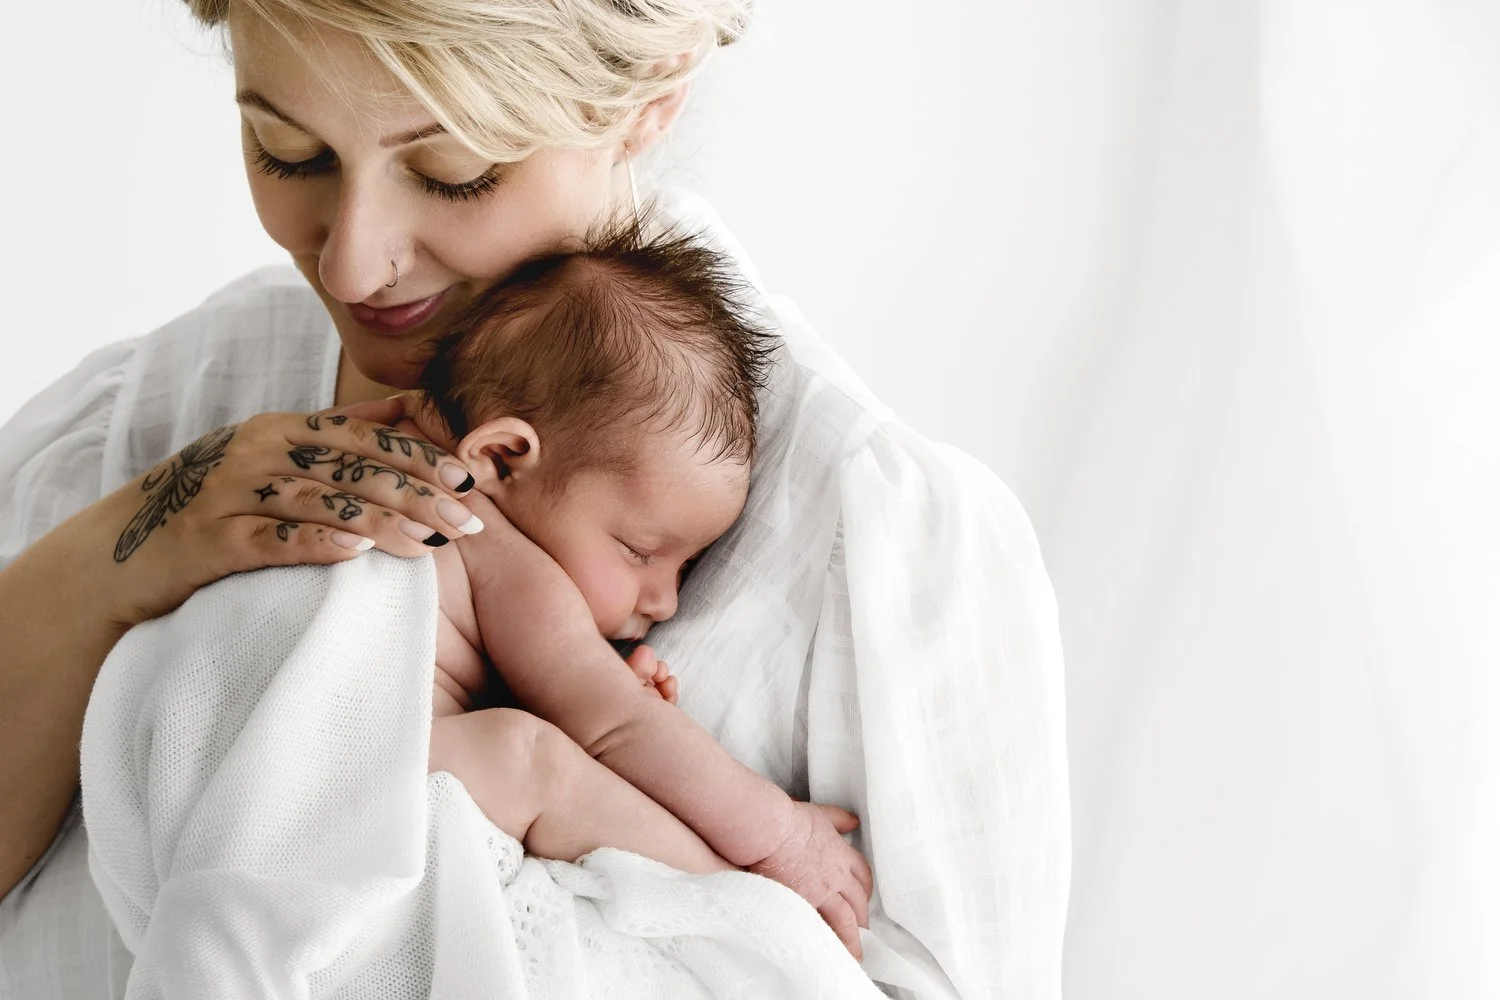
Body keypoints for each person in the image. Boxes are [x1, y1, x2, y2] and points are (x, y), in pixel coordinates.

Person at [0, 2, 1071, 998]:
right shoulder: (136, 418)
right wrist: (116, 555)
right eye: (290, 150)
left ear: (654, 89)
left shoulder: (874, 539)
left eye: (457, 169)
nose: (353, 259)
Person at [411, 221, 872, 929]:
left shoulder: (375, 453)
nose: (666, 599)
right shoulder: (493, 546)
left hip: (255, 750)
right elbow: (615, 730)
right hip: (338, 770)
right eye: (640, 550)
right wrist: (777, 836)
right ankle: (739, 909)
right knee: (531, 758)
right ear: (501, 459)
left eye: (687, 565)